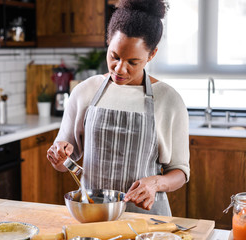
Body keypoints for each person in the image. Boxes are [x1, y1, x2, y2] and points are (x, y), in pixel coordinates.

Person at [46, 0, 190, 216]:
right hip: (93, 216)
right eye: (114, 56)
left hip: (148, 221)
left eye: (133, 62)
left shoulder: (169, 100)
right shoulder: (85, 91)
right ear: (107, 42)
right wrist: (58, 154)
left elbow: (180, 172)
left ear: (151, 55)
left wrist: (155, 183)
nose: (120, 68)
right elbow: (63, 161)